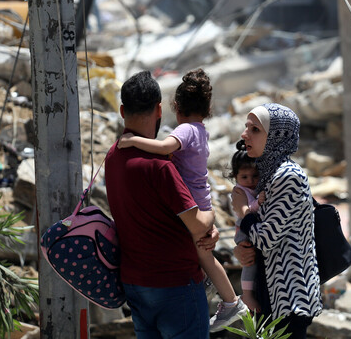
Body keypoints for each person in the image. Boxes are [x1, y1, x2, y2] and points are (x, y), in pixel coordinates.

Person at [118, 69, 249, 331]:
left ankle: (232, 302)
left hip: (196, 205)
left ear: (175, 108)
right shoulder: (199, 130)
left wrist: (132, 140)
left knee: (205, 257)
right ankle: (231, 301)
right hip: (199, 201)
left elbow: (165, 148)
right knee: (205, 257)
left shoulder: (186, 130)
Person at [105, 70, 217, 339]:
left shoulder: (112, 156)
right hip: (175, 285)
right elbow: (199, 224)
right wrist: (210, 215)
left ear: (122, 110)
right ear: (159, 109)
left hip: (135, 284)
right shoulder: (160, 167)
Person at [232, 103, 322, 339]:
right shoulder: (269, 174)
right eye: (246, 127)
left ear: (276, 136)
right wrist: (241, 249)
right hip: (271, 292)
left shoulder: (288, 176)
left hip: (289, 297)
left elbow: (266, 238)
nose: (245, 134)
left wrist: (242, 213)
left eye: (255, 129)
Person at [229, 147, 264, 314]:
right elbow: (246, 211)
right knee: (249, 262)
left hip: (250, 229)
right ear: (235, 177)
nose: (250, 180)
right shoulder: (239, 191)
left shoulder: (254, 188)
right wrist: (259, 202)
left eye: (254, 176)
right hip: (243, 231)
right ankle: (247, 294)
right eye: (244, 177)